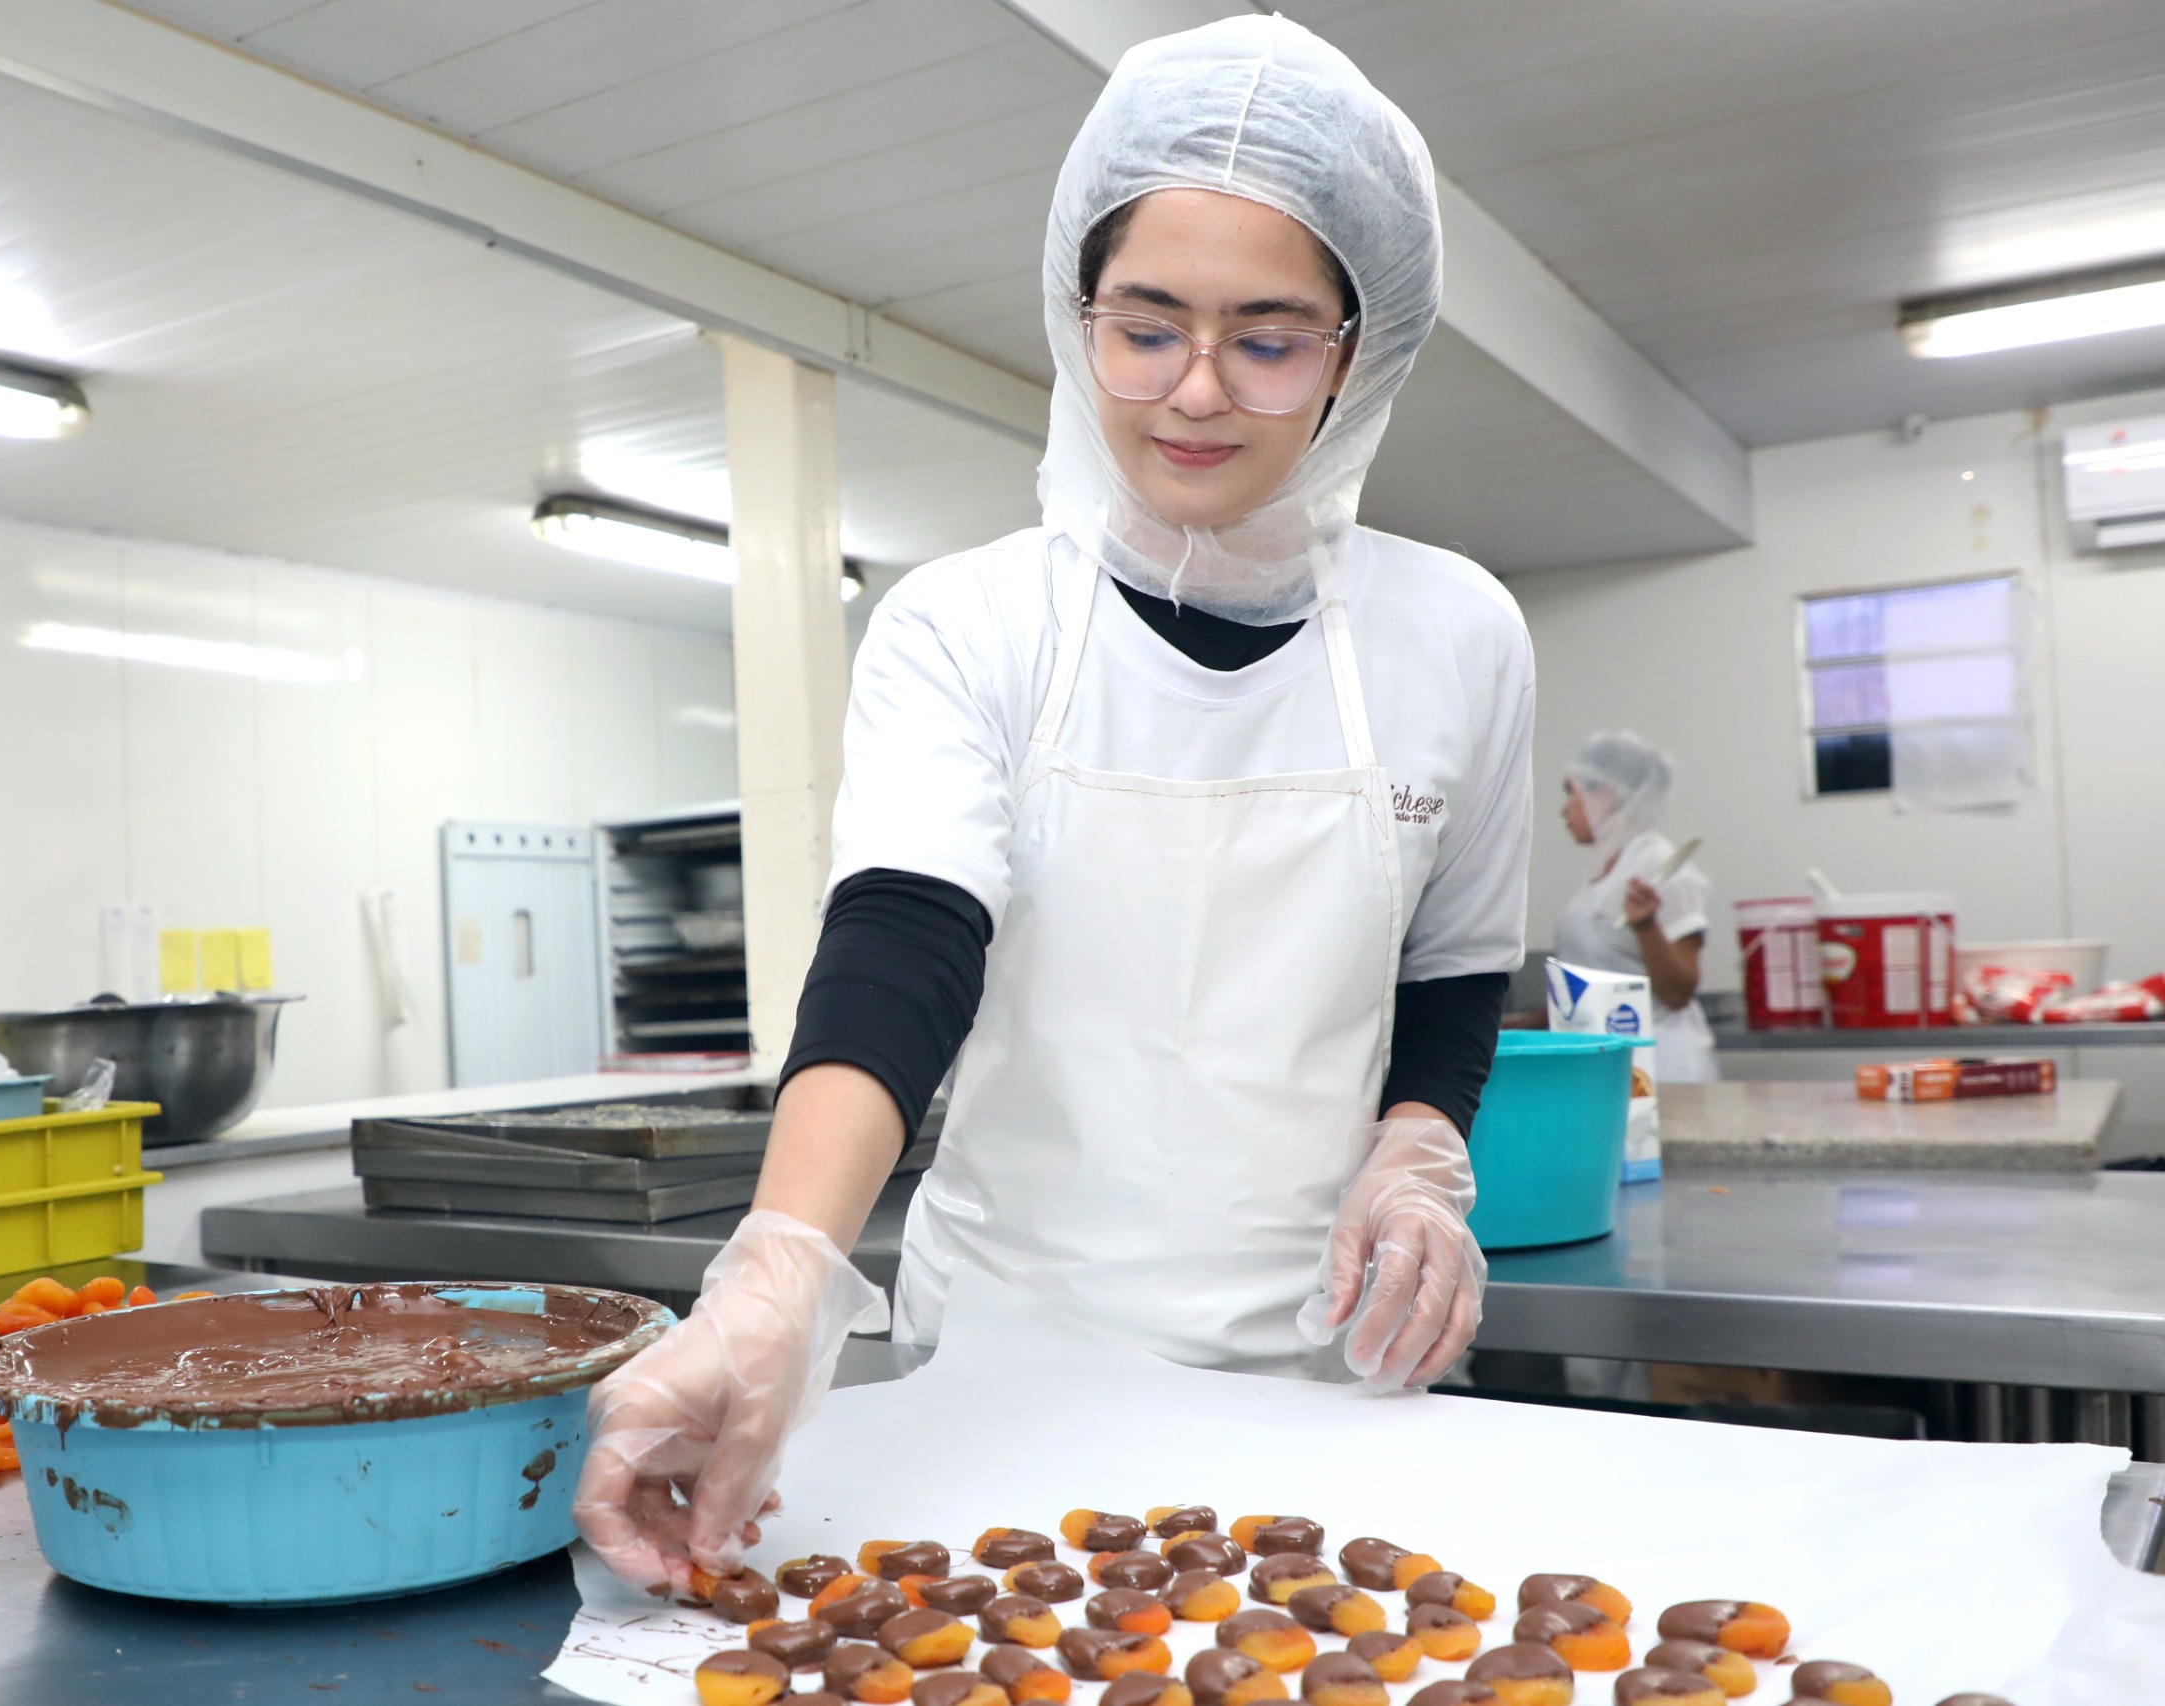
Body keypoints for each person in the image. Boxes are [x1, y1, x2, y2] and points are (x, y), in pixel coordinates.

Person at [573, 17, 1536, 1590]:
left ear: (1364, 351)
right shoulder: (970, 625)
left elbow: (1451, 960)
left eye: (1271, 336)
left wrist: (1420, 1145)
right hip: (1008, 1379)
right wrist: (784, 1266)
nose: (1196, 392)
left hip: (1334, 1376)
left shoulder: (1457, 633)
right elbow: (905, 940)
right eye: (1145, 326)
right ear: (1072, 314)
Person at [1551, 731, 1718, 1082]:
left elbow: (1677, 992)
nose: (1564, 809)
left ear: (1607, 793)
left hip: (1662, 1068)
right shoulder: (1604, 871)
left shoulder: (1659, 866)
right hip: (1610, 1062)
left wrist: (1647, 927)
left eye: (1572, 792)